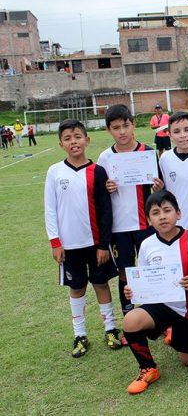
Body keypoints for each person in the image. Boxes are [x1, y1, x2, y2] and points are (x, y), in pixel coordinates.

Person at [44, 119, 122, 358]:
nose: (73, 142)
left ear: (87, 140)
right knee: (76, 288)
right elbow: (50, 209)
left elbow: (106, 210)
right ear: (61, 144)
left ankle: (110, 329)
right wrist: (55, 242)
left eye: (77, 136)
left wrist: (103, 244)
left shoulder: (98, 171)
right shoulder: (55, 172)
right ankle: (80, 334)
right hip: (69, 246)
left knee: (101, 284)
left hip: (95, 244)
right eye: (67, 138)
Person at [122, 190, 188, 394]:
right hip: (162, 306)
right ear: (149, 220)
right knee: (130, 320)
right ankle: (147, 368)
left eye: (167, 210)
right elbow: (144, 278)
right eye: (156, 213)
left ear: (178, 213)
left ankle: (177, 333)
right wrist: (134, 289)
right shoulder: (147, 245)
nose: (162, 216)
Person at [98, 105, 160, 318]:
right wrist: (106, 188)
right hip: (119, 226)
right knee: (125, 272)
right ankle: (128, 315)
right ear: (109, 130)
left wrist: (159, 187)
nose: (122, 132)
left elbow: (159, 189)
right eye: (116, 127)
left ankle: (156, 314)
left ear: (133, 125)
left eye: (126, 126)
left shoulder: (148, 152)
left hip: (146, 224)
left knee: (152, 270)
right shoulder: (105, 158)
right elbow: (98, 194)